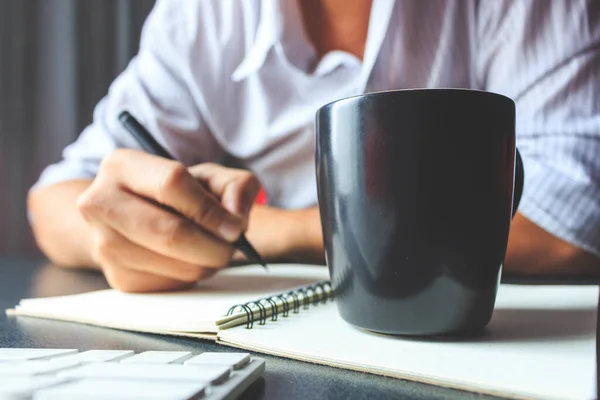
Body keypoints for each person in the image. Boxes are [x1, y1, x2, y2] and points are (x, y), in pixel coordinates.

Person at [28, 0, 600, 292]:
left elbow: (571, 221)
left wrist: (271, 232)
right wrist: (138, 233)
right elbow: (56, 198)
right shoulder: (206, 15)